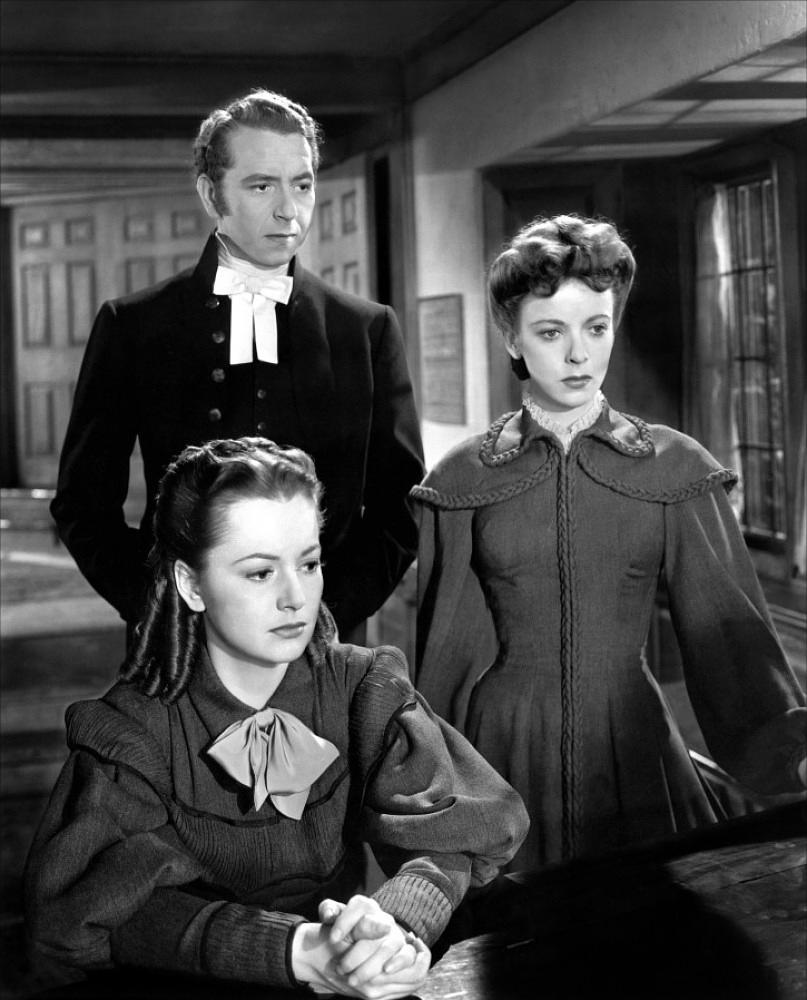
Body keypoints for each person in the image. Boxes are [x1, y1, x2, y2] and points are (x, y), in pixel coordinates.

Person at [25, 437, 528, 996]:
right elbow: (90, 915)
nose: (296, 597)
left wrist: (393, 931)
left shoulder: (363, 687)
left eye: (308, 564)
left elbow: (459, 833)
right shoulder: (134, 734)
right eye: (260, 573)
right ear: (191, 584)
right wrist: (299, 951)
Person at [411, 214, 806, 871]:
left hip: (635, 745)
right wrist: (431, 801)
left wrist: (793, 749)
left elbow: (730, 641)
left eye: (596, 328)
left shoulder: (675, 468)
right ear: (511, 337)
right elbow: (442, 662)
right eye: (550, 332)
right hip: (501, 752)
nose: (578, 355)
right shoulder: (461, 480)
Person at [50, 88, 424, 641]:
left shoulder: (366, 330)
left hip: (325, 646)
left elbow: (401, 509)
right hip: (178, 649)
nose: (288, 210)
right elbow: (83, 506)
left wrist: (323, 616)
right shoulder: (134, 325)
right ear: (211, 193)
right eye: (261, 186)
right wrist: (161, 609)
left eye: (302, 184)